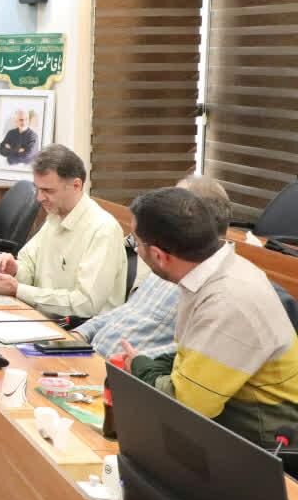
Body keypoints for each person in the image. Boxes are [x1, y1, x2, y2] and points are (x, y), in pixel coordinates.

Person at [117, 186, 298, 448]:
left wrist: (140, 366)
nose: (136, 250)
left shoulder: (227, 301)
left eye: (136, 243)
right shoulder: (217, 271)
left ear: (159, 256)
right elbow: (188, 358)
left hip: (265, 445)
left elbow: (184, 408)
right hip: (232, 425)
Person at [71, 176, 229, 358]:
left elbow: (185, 352)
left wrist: (136, 363)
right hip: (88, 354)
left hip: (123, 370)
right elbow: (128, 310)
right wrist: (80, 334)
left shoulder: (214, 285)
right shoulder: (169, 259)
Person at [0, 145, 126, 318]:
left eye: (48, 190)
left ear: (76, 185)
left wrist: (18, 290)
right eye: (38, 189)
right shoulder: (56, 215)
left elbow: (86, 304)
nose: (39, 198)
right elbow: (30, 266)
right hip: (44, 316)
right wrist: (14, 269)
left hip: (79, 327)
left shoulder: (103, 230)